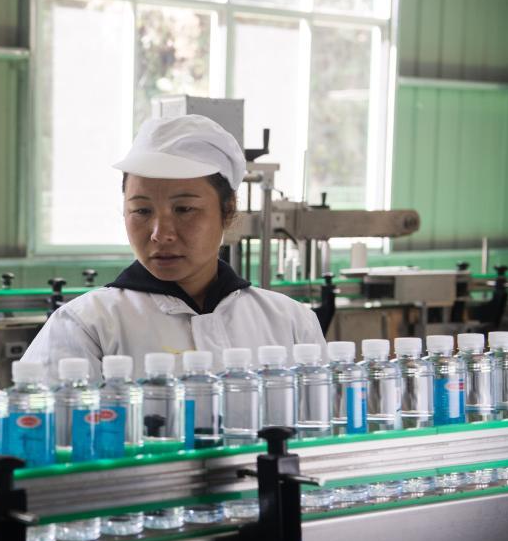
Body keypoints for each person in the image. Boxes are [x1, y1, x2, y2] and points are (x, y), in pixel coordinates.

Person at [22, 115, 326, 380]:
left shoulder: (290, 322)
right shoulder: (86, 325)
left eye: (184, 210)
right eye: (142, 211)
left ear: (228, 210)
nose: (160, 234)